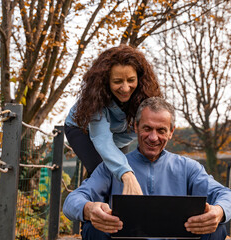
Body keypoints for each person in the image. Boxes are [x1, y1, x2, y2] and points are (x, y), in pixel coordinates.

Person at [63, 97, 231, 240]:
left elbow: (226, 195)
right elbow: (72, 201)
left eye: (161, 130)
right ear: (136, 127)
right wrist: (89, 209)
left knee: (217, 228)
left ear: (171, 131)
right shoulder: (112, 168)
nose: (153, 137)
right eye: (147, 128)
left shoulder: (188, 168)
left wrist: (219, 211)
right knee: (93, 228)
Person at [64, 45, 162, 195]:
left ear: (139, 78)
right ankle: (89, 213)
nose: (125, 88)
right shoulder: (96, 99)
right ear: (106, 81)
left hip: (118, 134)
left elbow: (146, 129)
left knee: (119, 171)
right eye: (117, 81)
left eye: (131, 80)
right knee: (103, 172)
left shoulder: (144, 96)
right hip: (82, 130)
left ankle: (120, 215)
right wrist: (126, 173)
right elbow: (102, 139)